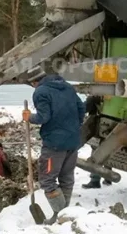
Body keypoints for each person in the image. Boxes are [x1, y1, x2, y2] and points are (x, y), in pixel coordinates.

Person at [23, 67, 86, 224]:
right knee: (66, 178)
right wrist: (72, 127)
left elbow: (43, 117)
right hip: (72, 141)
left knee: (47, 181)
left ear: (33, 82)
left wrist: (30, 117)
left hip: (54, 144)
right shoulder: (67, 86)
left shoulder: (41, 92)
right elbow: (81, 109)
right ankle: (65, 216)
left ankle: (60, 216)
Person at [81, 95, 112, 190]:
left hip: (100, 126)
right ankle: (108, 177)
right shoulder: (113, 95)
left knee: (96, 153)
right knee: (108, 150)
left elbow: (83, 109)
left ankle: (95, 180)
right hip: (112, 125)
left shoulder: (94, 97)